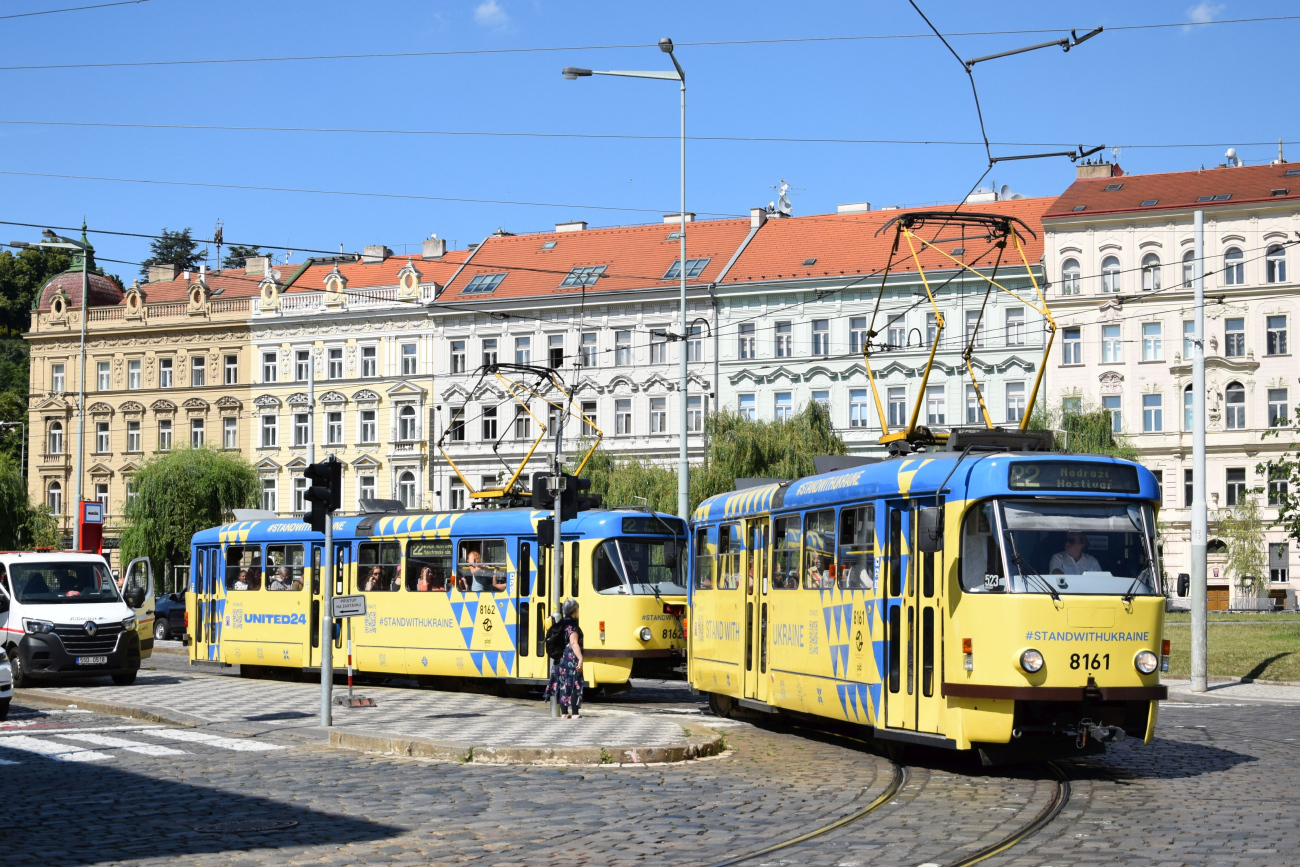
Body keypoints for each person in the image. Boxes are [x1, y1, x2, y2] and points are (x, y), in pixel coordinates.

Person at [543, 599, 585, 719]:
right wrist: (580, 659)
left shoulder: (561, 622)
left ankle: (564, 713)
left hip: (560, 657)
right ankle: (575, 713)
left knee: (562, 683)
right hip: (570, 657)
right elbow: (574, 643)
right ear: (575, 611)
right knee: (574, 682)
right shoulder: (572, 625)